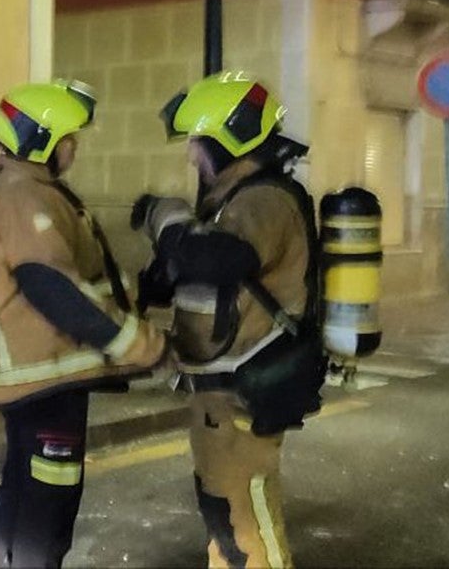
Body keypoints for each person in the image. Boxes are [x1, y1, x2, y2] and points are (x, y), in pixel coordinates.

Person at [132, 71, 327, 569]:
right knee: (225, 514)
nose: (191, 155)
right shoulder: (232, 202)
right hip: (221, 395)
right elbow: (202, 274)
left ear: (228, 140)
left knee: (247, 519)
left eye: (198, 142)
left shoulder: (266, 200)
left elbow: (218, 260)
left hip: (245, 395)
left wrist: (164, 215)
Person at [0, 79, 169, 569]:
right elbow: (54, 288)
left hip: (40, 377)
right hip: (46, 378)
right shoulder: (26, 198)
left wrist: (141, 293)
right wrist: (145, 346)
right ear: (42, 140)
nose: (74, 148)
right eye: (67, 138)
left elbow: (81, 278)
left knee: (24, 487)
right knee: (47, 502)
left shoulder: (30, 192)